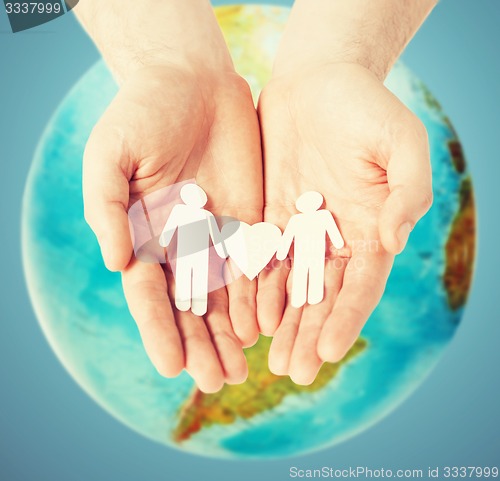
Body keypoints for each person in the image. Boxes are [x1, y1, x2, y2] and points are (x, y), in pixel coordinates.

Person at [75, 0, 435, 390]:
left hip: (252, 249)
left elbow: (323, 235)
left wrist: (335, 60)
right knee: (198, 284)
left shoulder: (302, 218)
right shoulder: (209, 217)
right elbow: (192, 231)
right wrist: (168, 65)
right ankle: (196, 302)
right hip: (196, 249)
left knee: (303, 281)